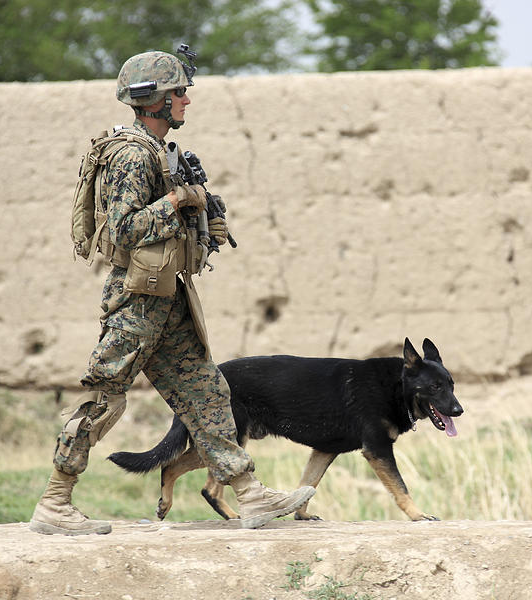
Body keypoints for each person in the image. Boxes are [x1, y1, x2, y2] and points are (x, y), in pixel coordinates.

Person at [29, 49, 315, 535]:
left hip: (167, 295)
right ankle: (55, 503)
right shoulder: (132, 156)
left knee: (207, 391)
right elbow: (121, 231)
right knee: (105, 398)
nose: (186, 100)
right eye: (177, 92)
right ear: (154, 100)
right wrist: (178, 200)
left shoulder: (162, 153)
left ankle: (249, 494)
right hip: (137, 299)